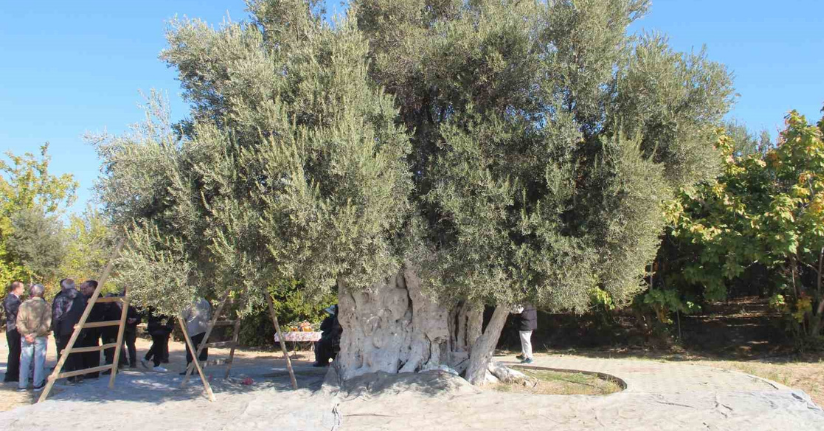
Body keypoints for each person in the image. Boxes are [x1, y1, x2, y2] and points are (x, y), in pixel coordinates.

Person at [15, 284, 51, 392]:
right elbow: (46, 323)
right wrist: (34, 334)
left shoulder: (24, 305)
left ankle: (22, 384)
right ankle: (37, 384)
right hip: (40, 336)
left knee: (25, 360)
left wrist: (26, 334)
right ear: (42, 293)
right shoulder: (46, 305)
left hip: (26, 336)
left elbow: (19, 321)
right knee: (39, 360)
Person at [52, 278, 87, 383]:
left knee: (66, 354)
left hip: (65, 329)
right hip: (79, 328)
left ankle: (70, 377)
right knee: (77, 352)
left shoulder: (61, 298)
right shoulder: (82, 297)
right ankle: (79, 375)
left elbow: (56, 316)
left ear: (63, 287)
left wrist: (56, 332)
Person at [78, 280, 105, 378]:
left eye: (85, 288)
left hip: (93, 328)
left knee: (92, 349)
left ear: (92, 287)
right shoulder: (88, 297)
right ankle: (87, 369)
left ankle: (93, 372)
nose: (83, 291)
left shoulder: (96, 297)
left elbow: (94, 314)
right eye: (82, 289)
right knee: (85, 349)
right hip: (88, 327)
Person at [181, 297, 211, 374]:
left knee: (191, 350)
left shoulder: (191, 302)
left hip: (193, 330)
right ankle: (199, 369)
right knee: (202, 350)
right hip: (203, 328)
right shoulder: (206, 302)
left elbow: (184, 315)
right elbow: (209, 314)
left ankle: (189, 369)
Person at [3, 281, 24, 383]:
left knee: (16, 351)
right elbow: (17, 313)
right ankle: (11, 375)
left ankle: (14, 373)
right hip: (13, 328)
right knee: (14, 351)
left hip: (14, 327)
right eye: (22, 288)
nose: (23, 290)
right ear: (16, 288)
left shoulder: (14, 299)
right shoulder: (11, 300)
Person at [122, 295, 141, 368]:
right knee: (121, 346)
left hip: (130, 328)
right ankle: (123, 361)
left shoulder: (135, 302)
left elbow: (139, 316)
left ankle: (133, 362)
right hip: (121, 328)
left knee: (131, 345)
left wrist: (134, 319)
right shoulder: (120, 297)